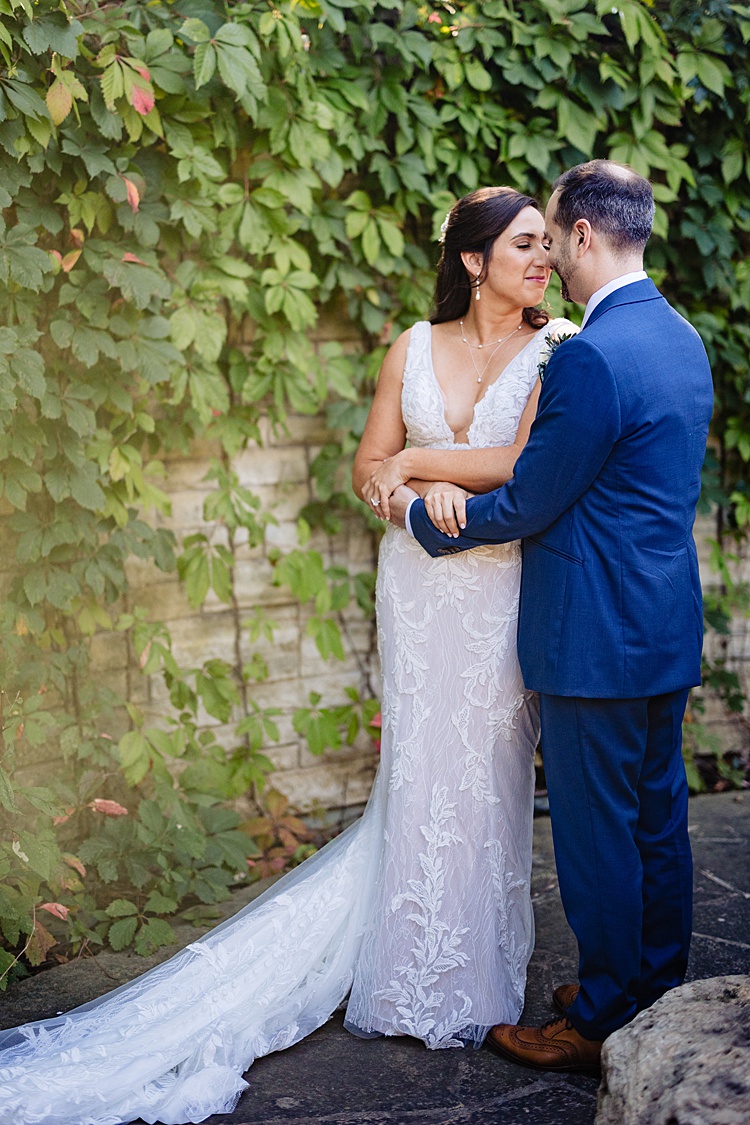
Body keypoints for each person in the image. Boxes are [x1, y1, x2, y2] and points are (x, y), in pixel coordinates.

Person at [0, 187, 576, 1125]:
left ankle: (470, 978)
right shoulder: (410, 347)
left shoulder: (559, 349)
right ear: (473, 260)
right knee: (421, 765)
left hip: (498, 583)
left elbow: (520, 461)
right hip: (419, 587)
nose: (542, 259)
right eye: (523, 244)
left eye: (547, 246)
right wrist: (386, 481)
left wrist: (412, 468)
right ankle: (404, 964)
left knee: (491, 767)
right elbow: (364, 466)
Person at [388, 160, 714, 1074]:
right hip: (660, 623)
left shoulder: (591, 355)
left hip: (590, 637)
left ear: (580, 235)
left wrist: (423, 516)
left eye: (553, 236)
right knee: (655, 818)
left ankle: (600, 1016)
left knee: (597, 831)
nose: (549, 260)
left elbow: (530, 499)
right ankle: (654, 988)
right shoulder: (680, 336)